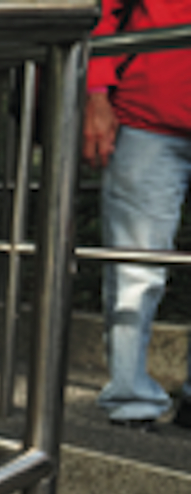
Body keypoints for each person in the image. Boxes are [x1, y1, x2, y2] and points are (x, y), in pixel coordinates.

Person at [83, 0, 191, 430]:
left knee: (135, 269)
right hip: (147, 115)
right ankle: (130, 397)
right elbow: (102, 9)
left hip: (150, 109)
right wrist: (96, 94)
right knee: (135, 269)